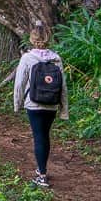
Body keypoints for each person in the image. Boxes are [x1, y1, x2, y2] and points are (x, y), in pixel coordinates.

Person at [13, 23, 69, 188]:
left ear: (32, 39)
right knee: (44, 135)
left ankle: (42, 175)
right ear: (47, 38)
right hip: (51, 104)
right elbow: (63, 86)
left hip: (34, 103)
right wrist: (64, 110)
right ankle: (41, 168)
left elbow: (19, 83)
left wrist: (17, 104)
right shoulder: (56, 58)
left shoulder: (28, 58)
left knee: (39, 136)